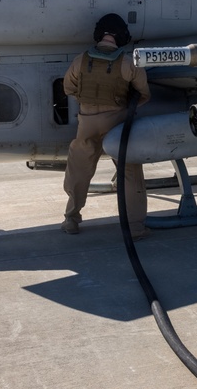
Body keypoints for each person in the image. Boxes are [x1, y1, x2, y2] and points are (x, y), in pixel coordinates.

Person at [61, 13, 152, 239]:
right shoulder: (129, 63)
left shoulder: (80, 60)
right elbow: (144, 95)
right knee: (130, 173)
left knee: (78, 172)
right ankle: (136, 228)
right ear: (121, 36)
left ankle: (71, 219)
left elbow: (69, 89)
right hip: (118, 126)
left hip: (87, 124)